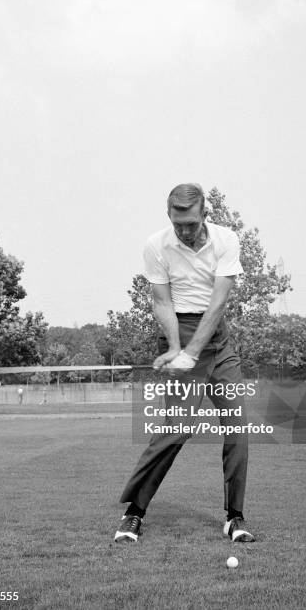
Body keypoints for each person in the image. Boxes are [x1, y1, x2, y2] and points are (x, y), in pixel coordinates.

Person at [114, 183, 254, 544]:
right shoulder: (156, 245)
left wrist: (192, 351)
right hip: (180, 325)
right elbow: (162, 301)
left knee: (238, 427)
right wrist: (176, 347)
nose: (185, 231)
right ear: (169, 216)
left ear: (204, 214)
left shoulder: (226, 241)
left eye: (191, 223)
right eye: (178, 224)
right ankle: (134, 512)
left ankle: (235, 517)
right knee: (177, 428)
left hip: (217, 340)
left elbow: (218, 304)